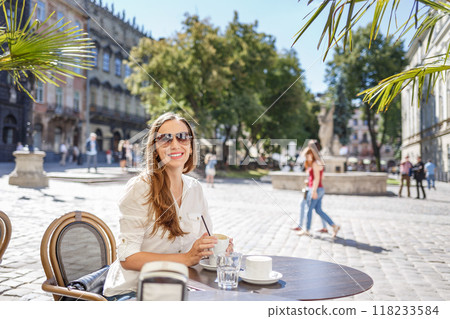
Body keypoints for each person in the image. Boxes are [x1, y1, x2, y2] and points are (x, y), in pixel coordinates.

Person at [102, 112, 233, 300]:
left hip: (181, 288)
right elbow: (127, 258)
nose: (175, 144)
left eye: (182, 137)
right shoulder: (140, 188)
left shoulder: (195, 189)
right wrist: (186, 258)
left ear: (190, 147)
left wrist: (218, 248)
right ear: (155, 148)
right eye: (165, 139)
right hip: (132, 292)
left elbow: (203, 245)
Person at [298, 146, 340, 238]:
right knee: (318, 210)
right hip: (319, 189)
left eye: (306, 155)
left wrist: (313, 191)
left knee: (308, 210)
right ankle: (334, 226)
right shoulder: (318, 163)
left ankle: (307, 230)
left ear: (310, 155)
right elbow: (322, 177)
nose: (306, 157)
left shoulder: (315, 164)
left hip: (315, 189)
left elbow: (317, 178)